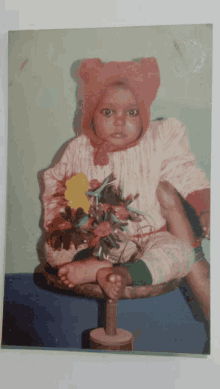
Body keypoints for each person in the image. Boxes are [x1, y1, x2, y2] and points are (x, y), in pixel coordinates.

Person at [42, 58, 210, 319]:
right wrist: (63, 223)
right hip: (96, 237)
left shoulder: (157, 142)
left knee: (180, 254)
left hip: (149, 236)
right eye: (108, 112)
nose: (120, 121)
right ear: (91, 114)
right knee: (53, 247)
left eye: (131, 112)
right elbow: (56, 184)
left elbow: (183, 170)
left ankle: (126, 274)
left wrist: (204, 206)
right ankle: (94, 263)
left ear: (144, 113)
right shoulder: (79, 149)